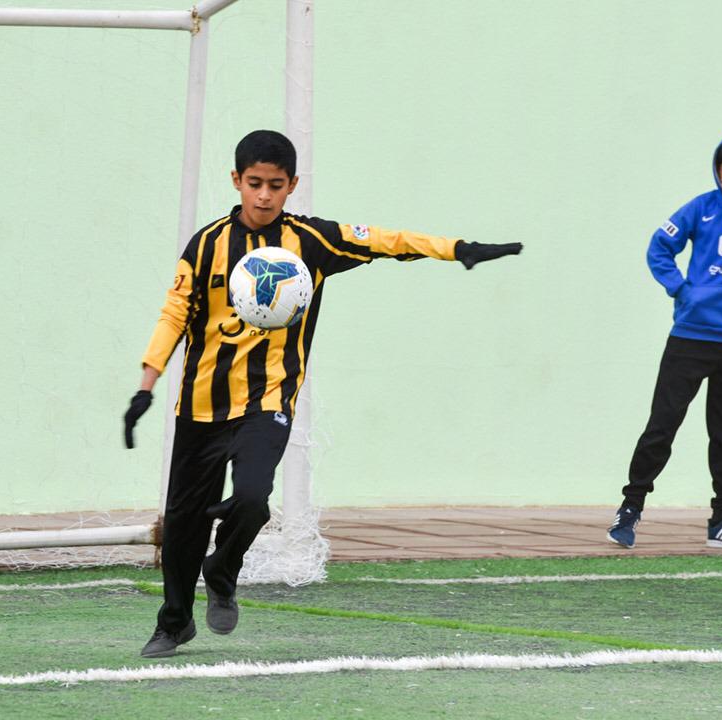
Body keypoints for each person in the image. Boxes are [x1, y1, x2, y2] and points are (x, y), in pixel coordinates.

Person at [124, 129, 522, 658]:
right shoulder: (205, 245)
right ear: (236, 180)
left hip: (268, 401)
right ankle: (174, 623)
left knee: (252, 498)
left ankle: (222, 570)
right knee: (183, 525)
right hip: (199, 406)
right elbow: (174, 314)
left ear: (292, 185)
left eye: (275, 185)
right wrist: (146, 385)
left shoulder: (311, 240)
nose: (264, 195)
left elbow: (384, 241)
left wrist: (458, 249)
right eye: (254, 183)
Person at [606, 130, 722, 551]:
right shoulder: (701, 208)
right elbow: (659, 247)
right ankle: (630, 508)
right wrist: (680, 289)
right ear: (717, 170)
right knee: (662, 424)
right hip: (691, 337)